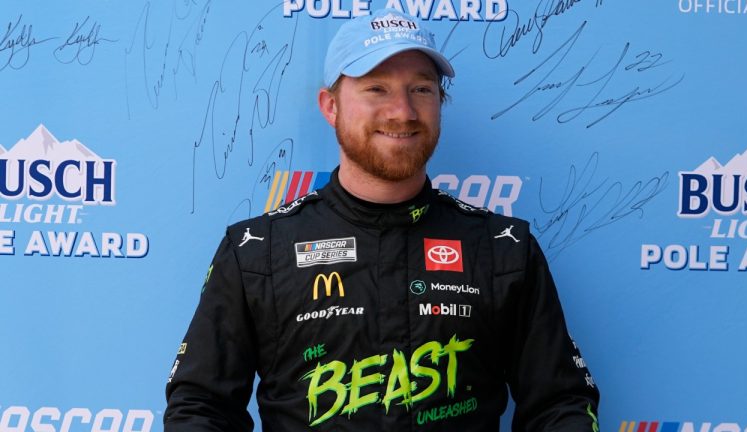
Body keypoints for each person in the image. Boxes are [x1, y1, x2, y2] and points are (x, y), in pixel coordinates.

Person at [165, 8, 600, 432]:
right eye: (376, 89)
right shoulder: (258, 250)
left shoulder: (503, 248)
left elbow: (560, 405)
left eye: (422, 90)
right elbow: (201, 407)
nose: (403, 112)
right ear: (330, 106)